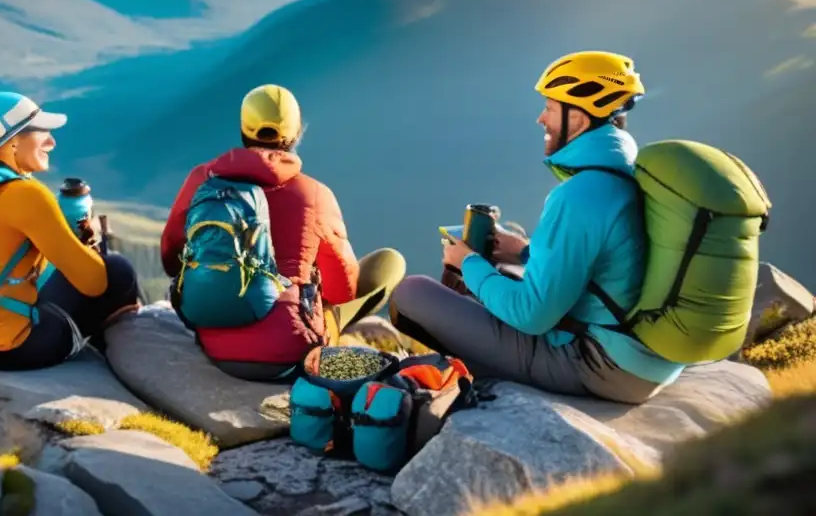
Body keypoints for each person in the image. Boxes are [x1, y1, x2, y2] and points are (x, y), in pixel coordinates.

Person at [390, 51, 685, 404]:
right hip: (642, 357)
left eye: (549, 106)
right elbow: (607, 263)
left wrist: (467, 263)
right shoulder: (625, 174)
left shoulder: (578, 196)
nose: (541, 118)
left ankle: (476, 382)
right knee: (501, 269)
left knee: (411, 294)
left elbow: (531, 315)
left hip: (601, 365)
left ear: (577, 116)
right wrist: (525, 252)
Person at [160, 84, 407, 381]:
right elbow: (343, 291)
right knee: (388, 263)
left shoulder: (202, 180)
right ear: (295, 133)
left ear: (243, 129)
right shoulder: (315, 193)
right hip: (288, 353)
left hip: (213, 340)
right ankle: (326, 355)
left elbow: (170, 258)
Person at [0, 91, 141, 371]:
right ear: (12, 141)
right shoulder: (26, 194)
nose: (52, 142)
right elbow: (95, 282)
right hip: (20, 347)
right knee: (118, 270)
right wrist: (88, 242)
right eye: (41, 131)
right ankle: (127, 359)